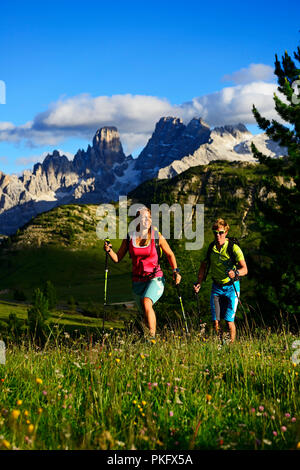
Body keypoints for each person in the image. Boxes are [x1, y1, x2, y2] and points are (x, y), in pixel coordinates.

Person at [103, 206, 181, 340]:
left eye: (149, 217)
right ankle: (145, 341)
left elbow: (170, 254)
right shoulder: (130, 237)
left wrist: (175, 271)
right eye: (143, 217)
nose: (147, 220)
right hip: (138, 281)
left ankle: (152, 339)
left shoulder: (157, 236)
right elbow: (117, 258)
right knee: (144, 314)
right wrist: (109, 251)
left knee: (146, 302)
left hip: (155, 278)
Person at [193, 218, 248, 343]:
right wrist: (199, 282)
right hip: (216, 287)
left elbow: (245, 269)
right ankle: (220, 345)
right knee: (216, 322)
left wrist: (236, 273)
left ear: (226, 232)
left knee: (229, 321)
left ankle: (231, 348)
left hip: (231, 287)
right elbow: (203, 266)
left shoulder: (233, 248)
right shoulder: (211, 248)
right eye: (215, 233)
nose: (218, 235)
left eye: (221, 232)